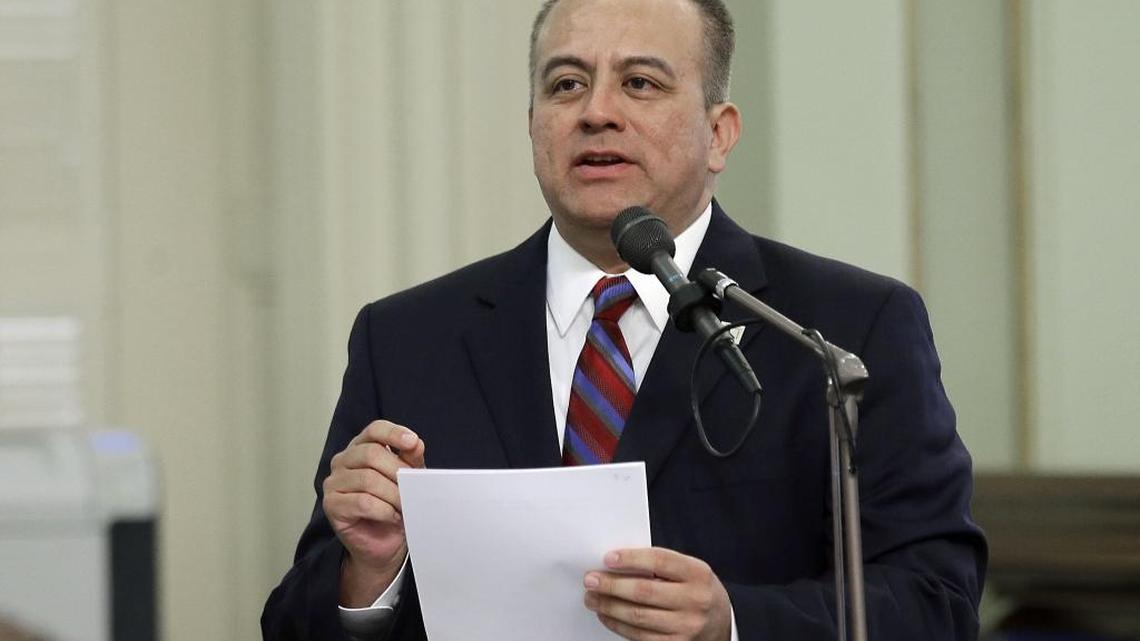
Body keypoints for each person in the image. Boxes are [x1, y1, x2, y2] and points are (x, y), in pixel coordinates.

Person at [261, 0, 986, 639]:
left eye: (640, 83)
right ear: (534, 126)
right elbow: (293, 622)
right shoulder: (409, 337)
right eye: (566, 84)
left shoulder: (839, 329)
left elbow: (936, 599)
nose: (596, 111)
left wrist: (732, 622)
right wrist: (369, 572)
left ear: (720, 133)